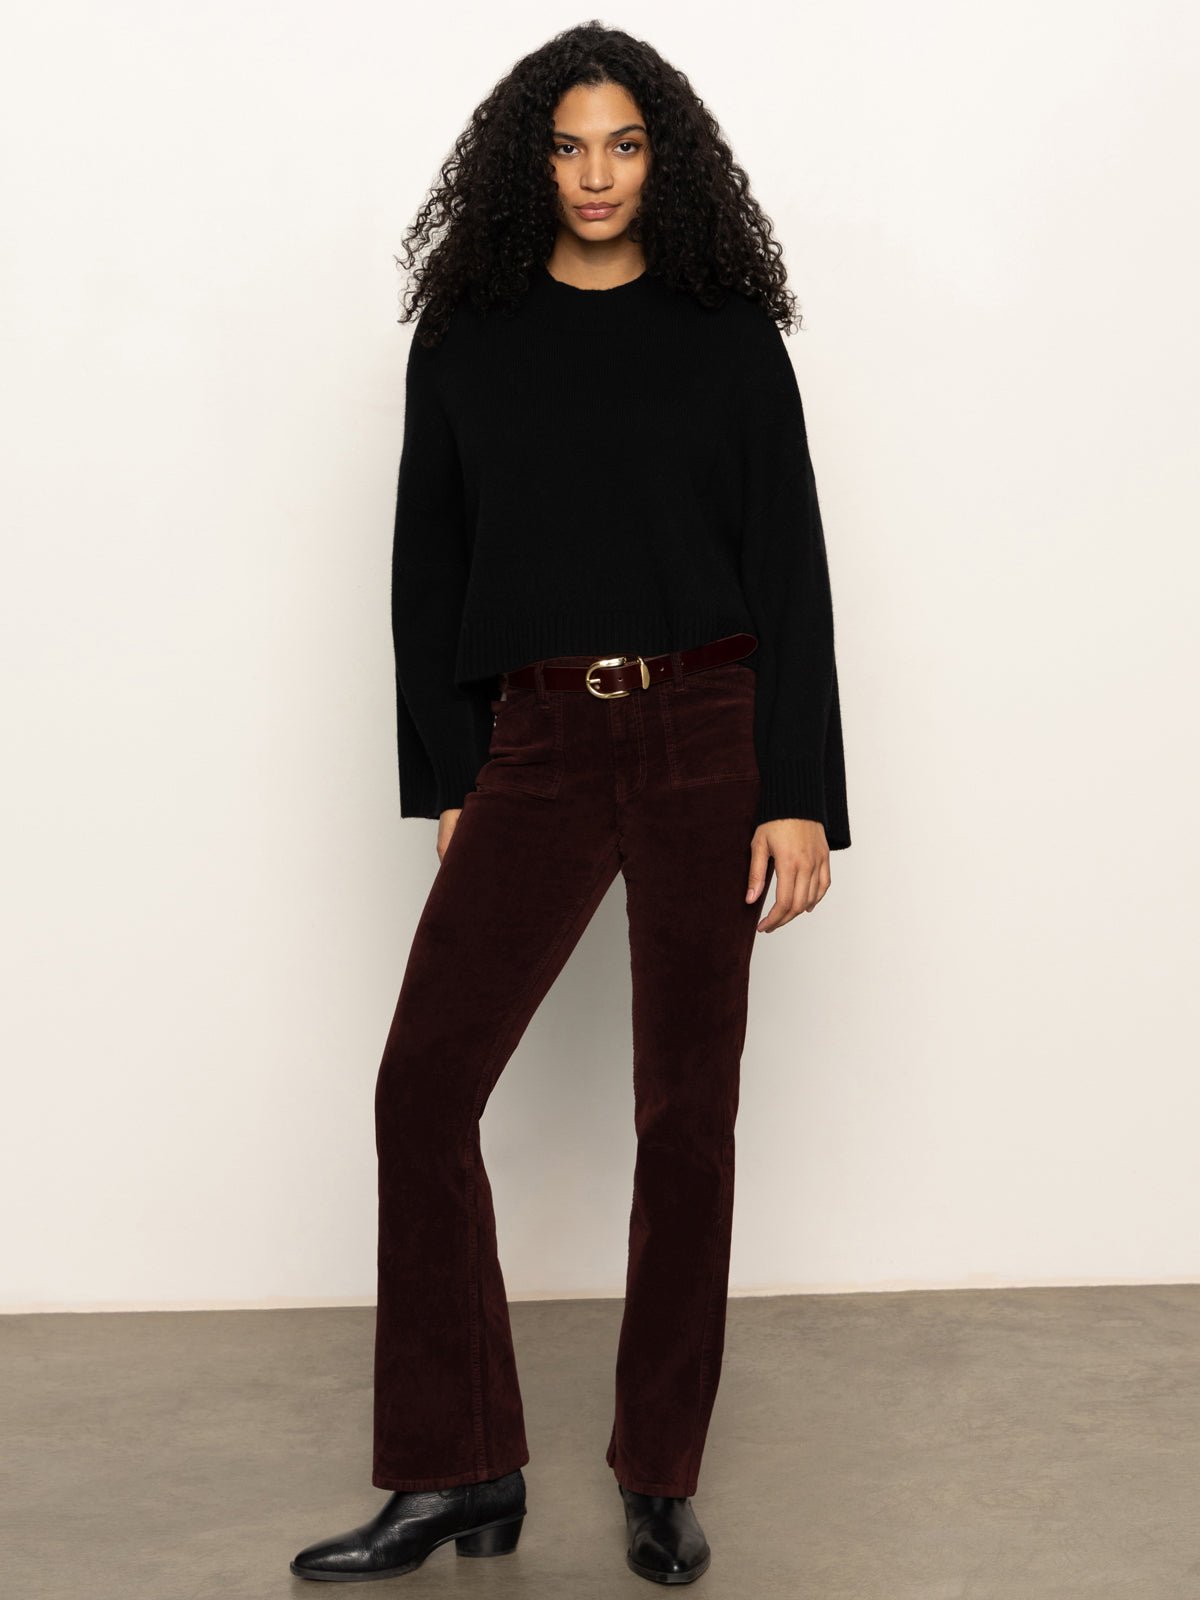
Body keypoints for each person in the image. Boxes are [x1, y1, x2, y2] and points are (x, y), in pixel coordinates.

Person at [291, 20, 851, 1588]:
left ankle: (659, 1473)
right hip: (534, 741)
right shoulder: (467, 333)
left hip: (706, 735)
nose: (595, 175)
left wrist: (800, 796)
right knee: (423, 1089)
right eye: (566, 146)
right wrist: (453, 776)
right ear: (523, 162)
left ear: (664, 161)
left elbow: (790, 568)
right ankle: (457, 1469)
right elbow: (429, 566)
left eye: (624, 144)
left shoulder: (726, 334)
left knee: (686, 1115)